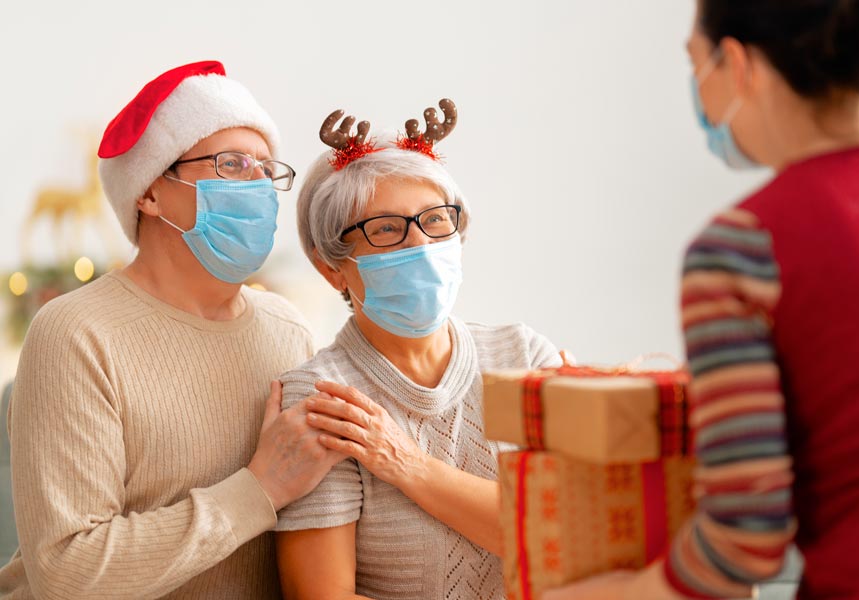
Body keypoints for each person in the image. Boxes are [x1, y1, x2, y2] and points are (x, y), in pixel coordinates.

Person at [544, 1, 859, 599]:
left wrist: (611, 594)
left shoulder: (741, 248)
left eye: (695, 65)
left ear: (736, 63)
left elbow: (745, 536)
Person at [0, 61, 343, 599]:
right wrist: (258, 490)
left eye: (265, 168)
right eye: (231, 164)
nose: (258, 185)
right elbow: (68, 574)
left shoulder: (288, 330)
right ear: (150, 192)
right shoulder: (75, 334)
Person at [273, 101, 563, 599]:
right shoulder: (325, 397)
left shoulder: (524, 356)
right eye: (386, 230)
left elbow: (567, 535)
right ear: (331, 268)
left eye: (435, 221)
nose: (421, 245)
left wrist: (407, 465)